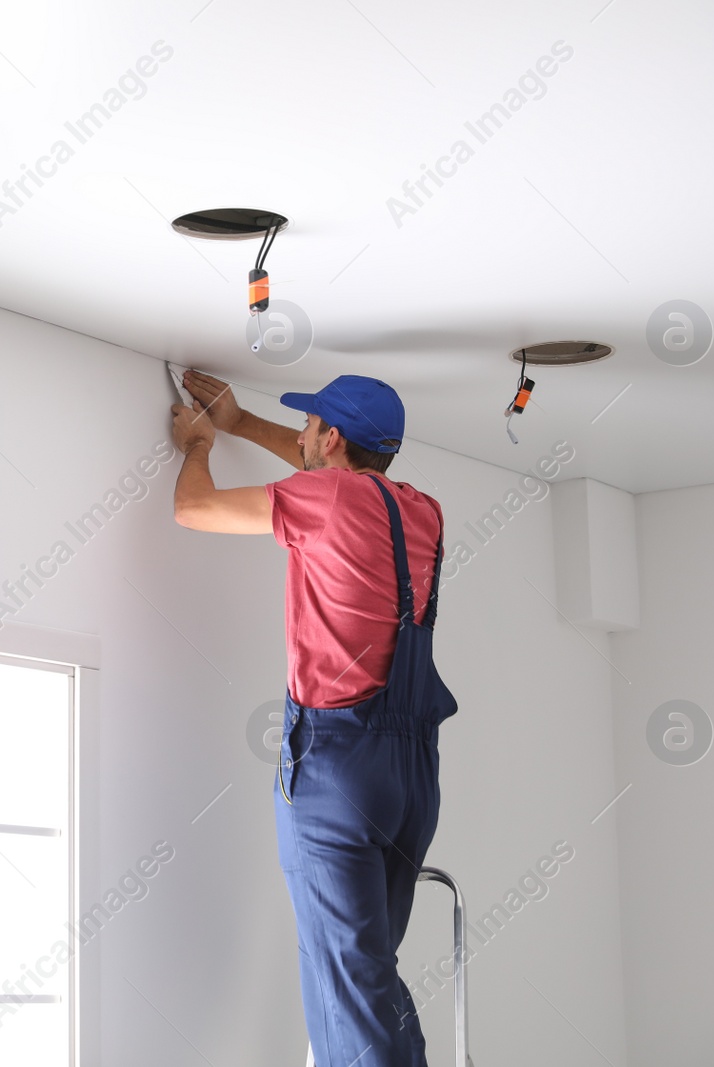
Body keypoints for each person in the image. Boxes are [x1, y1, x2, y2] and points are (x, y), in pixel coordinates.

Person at [168, 369, 458, 1067]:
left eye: (307, 426)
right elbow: (322, 473)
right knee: (367, 976)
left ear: (330, 438)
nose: (297, 434)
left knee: (349, 987)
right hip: (413, 775)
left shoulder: (321, 498)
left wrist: (199, 444)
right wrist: (240, 422)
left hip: (340, 769)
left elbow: (194, 508)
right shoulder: (422, 510)